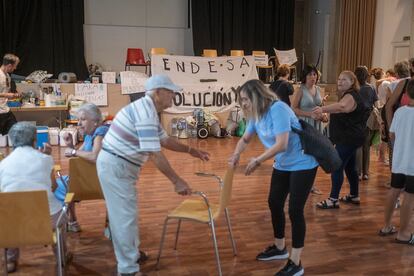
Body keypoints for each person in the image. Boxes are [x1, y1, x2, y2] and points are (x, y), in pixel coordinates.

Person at [96, 74, 210, 275]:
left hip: (118, 165)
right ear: (158, 92)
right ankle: (128, 269)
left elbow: (164, 141)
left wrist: (191, 151)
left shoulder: (147, 109)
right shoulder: (145, 112)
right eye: (171, 92)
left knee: (126, 215)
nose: (174, 96)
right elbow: (155, 153)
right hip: (116, 166)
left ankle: (131, 255)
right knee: (124, 218)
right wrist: (177, 181)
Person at [228, 79, 318, 276]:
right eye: (240, 100)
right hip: (284, 164)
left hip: (303, 162)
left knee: (295, 210)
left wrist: (258, 160)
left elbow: (282, 144)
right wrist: (236, 154)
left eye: (245, 99)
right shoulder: (256, 115)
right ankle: (279, 248)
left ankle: (295, 263)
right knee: (275, 202)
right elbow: (245, 139)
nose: (243, 103)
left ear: (257, 95)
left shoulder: (278, 109)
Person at [0, 122, 69, 273]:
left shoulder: (3, 164)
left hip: (12, 221)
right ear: (34, 140)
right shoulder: (45, 159)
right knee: (60, 218)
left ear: (11, 141)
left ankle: (10, 259)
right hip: (45, 218)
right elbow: (54, 187)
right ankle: (61, 255)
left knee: (9, 214)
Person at [313, 71, 369, 209]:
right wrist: (326, 114)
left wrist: (322, 109)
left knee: (336, 166)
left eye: (344, 79)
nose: (340, 81)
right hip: (350, 137)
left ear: (352, 82)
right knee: (350, 167)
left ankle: (333, 199)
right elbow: (341, 110)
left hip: (349, 138)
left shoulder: (351, 95)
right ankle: (354, 195)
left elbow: (342, 107)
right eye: (339, 79)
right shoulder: (348, 95)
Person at [54, 103, 109, 233]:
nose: (79, 123)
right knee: (65, 182)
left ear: (95, 121)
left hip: (97, 182)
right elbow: (81, 157)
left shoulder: (100, 132)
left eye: (83, 119)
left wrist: (73, 152)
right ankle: (72, 222)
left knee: (56, 186)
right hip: (90, 179)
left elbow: (95, 156)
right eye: (78, 119)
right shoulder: (90, 134)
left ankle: (69, 223)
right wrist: (71, 146)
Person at [379, 78, 414, 242]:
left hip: (399, 161)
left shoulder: (399, 112)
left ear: (406, 93)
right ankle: (404, 233)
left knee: (394, 191)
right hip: (412, 164)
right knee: (409, 196)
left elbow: (392, 135)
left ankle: (386, 226)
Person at [291, 64, 327, 194]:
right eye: (310, 74)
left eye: (314, 74)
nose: (313, 77)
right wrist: (309, 114)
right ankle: (298, 183)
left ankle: (311, 185)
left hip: (317, 125)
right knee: (303, 155)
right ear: (304, 76)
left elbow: (321, 106)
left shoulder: (318, 89)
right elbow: (293, 108)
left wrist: (323, 115)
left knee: (315, 155)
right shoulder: (300, 90)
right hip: (304, 124)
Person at [354, 66, 378, 181]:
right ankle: (366, 173)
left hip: (356, 118)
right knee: (366, 146)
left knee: (357, 145)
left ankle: (358, 172)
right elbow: (376, 104)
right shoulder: (371, 87)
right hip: (368, 119)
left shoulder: (354, 88)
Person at [0, 53, 20, 136]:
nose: (15, 68)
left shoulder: (7, 76)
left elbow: (6, 91)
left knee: (17, 132)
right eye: (15, 66)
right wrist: (6, 95)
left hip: (5, 110)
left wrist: (14, 95)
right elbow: (5, 94)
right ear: (9, 65)